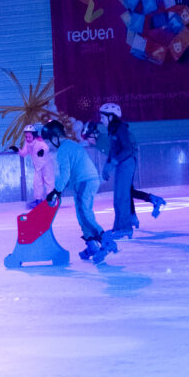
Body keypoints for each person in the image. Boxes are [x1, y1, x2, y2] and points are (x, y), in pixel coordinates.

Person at [41, 120, 117, 263]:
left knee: (84, 213)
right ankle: (91, 244)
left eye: (49, 142)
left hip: (85, 181)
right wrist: (59, 190)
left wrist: (56, 191)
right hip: (85, 181)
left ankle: (105, 240)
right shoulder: (70, 145)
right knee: (81, 213)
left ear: (55, 137)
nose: (49, 146)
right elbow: (70, 173)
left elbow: (65, 174)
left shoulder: (63, 149)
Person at [98, 103, 138, 239]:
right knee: (117, 197)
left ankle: (126, 228)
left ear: (111, 117)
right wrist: (106, 165)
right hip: (120, 163)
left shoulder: (121, 128)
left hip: (127, 162)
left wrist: (113, 163)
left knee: (122, 196)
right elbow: (113, 150)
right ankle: (118, 227)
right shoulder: (112, 129)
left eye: (102, 117)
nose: (100, 120)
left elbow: (128, 149)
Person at [17, 123, 55, 207]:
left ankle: (51, 199)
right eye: (26, 137)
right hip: (38, 166)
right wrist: (17, 150)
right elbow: (23, 153)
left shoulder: (39, 142)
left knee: (49, 181)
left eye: (29, 137)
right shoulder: (27, 144)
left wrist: (42, 151)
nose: (27, 139)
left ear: (34, 135)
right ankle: (38, 200)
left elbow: (46, 148)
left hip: (46, 164)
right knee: (36, 183)